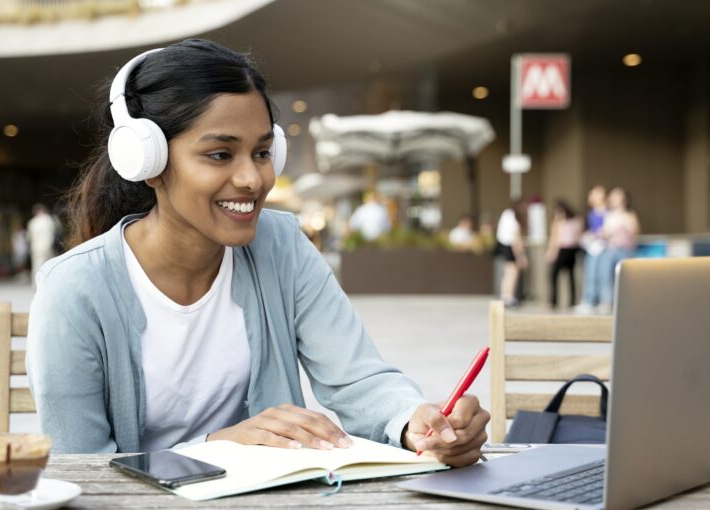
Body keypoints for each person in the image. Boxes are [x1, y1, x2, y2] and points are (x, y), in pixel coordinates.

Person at [26, 40, 488, 466]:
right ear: (147, 162)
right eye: (221, 155)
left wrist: (417, 423)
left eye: (263, 152)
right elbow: (79, 466)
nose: (252, 179)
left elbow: (357, 379)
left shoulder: (282, 244)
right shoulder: (74, 289)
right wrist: (215, 449)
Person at [598, 187, 640, 313]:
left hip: (625, 250)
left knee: (627, 279)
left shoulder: (629, 215)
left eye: (617, 197)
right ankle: (607, 302)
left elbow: (635, 231)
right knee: (606, 277)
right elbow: (605, 232)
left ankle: (627, 303)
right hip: (611, 249)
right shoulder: (609, 215)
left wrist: (623, 227)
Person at [575, 186, 607, 314]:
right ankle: (588, 301)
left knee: (603, 276)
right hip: (592, 247)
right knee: (590, 275)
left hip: (604, 248)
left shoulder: (608, 212)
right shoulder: (591, 212)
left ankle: (603, 301)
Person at [545, 199, 583, 308]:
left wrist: (552, 252)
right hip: (567, 250)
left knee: (561, 276)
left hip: (566, 250)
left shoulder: (568, 221)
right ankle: (563, 300)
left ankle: (561, 301)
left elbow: (555, 239)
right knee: (565, 277)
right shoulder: (573, 221)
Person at [494, 201, 527, 308]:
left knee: (507, 274)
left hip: (502, 245)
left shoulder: (506, 214)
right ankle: (509, 297)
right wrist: (521, 256)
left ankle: (505, 296)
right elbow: (516, 241)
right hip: (509, 247)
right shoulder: (514, 220)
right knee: (512, 273)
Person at [26, 203, 57, 285]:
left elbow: (29, 237)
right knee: (48, 266)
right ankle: (47, 283)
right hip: (47, 247)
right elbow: (51, 234)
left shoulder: (32, 222)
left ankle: (36, 283)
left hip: (36, 248)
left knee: (36, 266)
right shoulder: (48, 220)